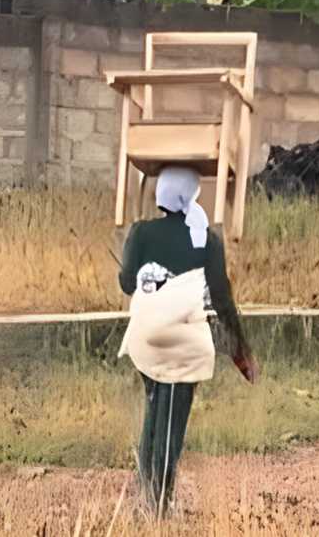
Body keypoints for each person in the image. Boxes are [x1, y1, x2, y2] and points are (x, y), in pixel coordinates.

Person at [117, 166, 258, 518]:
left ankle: (146, 498)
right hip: (184, 338)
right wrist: (241, 353)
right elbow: (222, 300)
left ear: (161, 195)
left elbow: (127, 283)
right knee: (172, 422)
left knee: (154, 410)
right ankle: (160, 507)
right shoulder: (206, 239)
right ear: (191, 194)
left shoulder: (141, 232)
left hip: (146, 337)